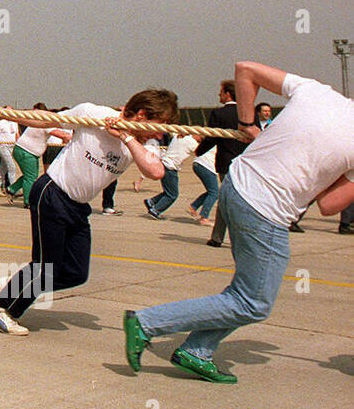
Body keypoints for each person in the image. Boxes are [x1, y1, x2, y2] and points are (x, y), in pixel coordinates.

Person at [124, 62, 354, 382]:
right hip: (265, 210)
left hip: (235, 186)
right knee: (254, 302)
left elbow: (245, 69)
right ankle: (148, 322)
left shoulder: (317, 92)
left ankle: (197, 350)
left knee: (244, 290)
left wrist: (247, 123)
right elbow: (329, 206)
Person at [0, 89, 177, 336]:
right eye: (161, 124)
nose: (162, 133)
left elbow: (156, 171)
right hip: (52, 193)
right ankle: (1, 307)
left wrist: (126, 136)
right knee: (46, 266)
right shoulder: (94, 114)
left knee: (75, 272)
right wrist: (5, 114)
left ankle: (20, 284)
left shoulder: (142, 142)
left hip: (78, 207)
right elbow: (47, 120)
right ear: (142, 114)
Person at [197, 79, 248, 247]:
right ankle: (219, 237)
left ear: (227, 94)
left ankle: (226, 237)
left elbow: (212, 137)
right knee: (233, 199)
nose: (219, 94)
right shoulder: (248, 113)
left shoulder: (219, 114)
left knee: (229, 199)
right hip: (246, 164)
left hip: (226, 164)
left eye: (221, 92)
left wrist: (199, 151)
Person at [8, 105, 71, 208]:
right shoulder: (47, 123)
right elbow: (63, 135)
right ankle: (28, 202)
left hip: (28, 152)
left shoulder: (44, 121)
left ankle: (12, 189)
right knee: (30, 177)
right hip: (26, 151)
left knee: (31, 175)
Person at [144, 133, 198, 219]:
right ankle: (156, 210)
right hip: (170, 168)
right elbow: (199, 152)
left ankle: (151, 202)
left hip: (165, 164)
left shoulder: (178, 136)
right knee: (172, 195)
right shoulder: (192, 142)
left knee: (168, 191)